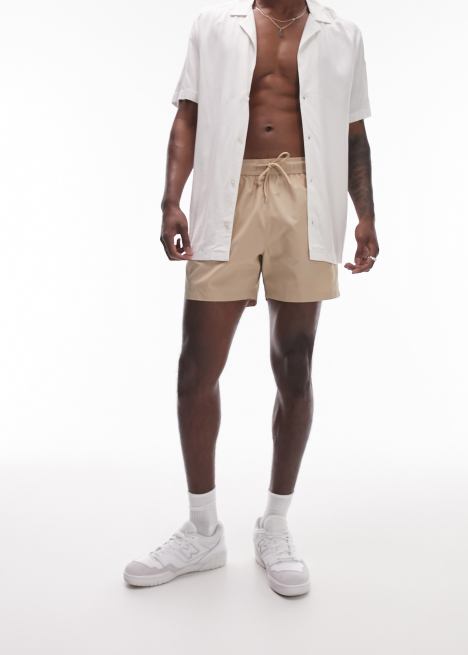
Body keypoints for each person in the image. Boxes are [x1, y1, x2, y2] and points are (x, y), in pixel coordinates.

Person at [123, 0, 379, 597]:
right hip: (226, 194)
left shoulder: (344, 35)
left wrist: (367, 214)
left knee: (295, 366)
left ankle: (276, 525)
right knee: (196, 368)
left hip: (307, 197)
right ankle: (202, 530)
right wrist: (170, 199)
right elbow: (187, 116)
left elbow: (354, 133)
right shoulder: (214, 28)